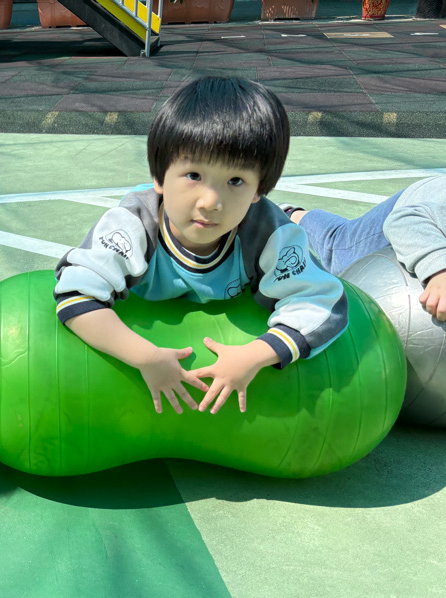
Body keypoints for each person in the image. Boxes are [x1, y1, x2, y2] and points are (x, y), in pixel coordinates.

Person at [53, 76, 347, 416]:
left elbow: (324, 303)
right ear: (159, 177)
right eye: (193, 175)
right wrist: (146, 357)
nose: (211, 202)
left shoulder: (268, 235)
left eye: (235, 180)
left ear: (258, 190)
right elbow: (76, 293)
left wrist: (253, 356)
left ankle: (296, 216)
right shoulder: (133, 225)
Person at [280, 174, 446, 322]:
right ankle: (290, 215)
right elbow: (403, 221)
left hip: (432, 199)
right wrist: (440, 270)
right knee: (341, 251)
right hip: (414, 207)